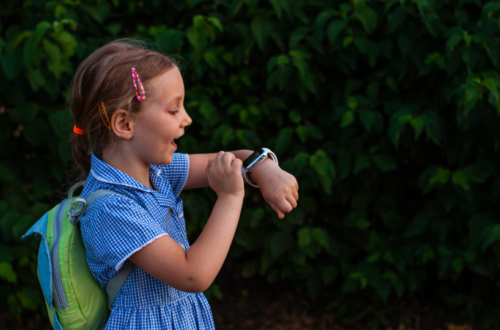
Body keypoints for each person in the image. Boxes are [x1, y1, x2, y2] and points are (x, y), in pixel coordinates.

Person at [69, 40, 299, 329]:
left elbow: (229, 162)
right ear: (125, 124)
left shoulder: (155, 170)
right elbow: (194, 275)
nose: (187, 119)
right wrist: (229, 198)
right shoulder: (111, 207)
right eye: (173, 110)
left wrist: (265, 168)